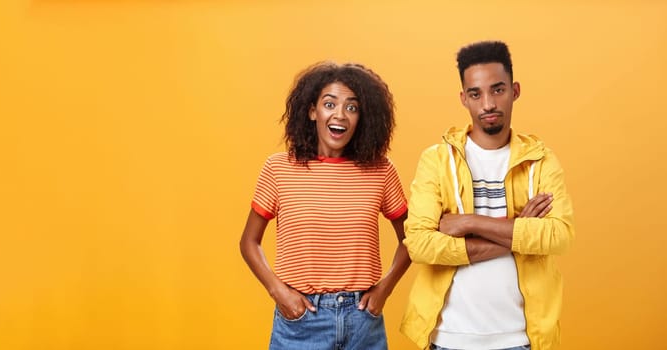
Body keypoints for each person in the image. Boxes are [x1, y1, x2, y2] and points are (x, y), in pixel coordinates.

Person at [400, 41, 575, 350]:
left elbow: (559, 235)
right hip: (449, 338)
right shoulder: (437, 160)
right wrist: (520, 230)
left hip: (521, 339)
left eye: (498, 90)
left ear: (515, 90)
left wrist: (470, 222)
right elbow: (419, 244)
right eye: (476, 94)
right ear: (463, 99)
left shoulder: (541, 160)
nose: (488, 104)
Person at [239, 61, 411, 349]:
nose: (340, 115)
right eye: (329, 104)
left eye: (352, 108)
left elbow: (412, 239)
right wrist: (278, 292)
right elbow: (249, 242)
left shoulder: (381, 170)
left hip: (362, 321)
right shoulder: (278, 168)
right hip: (301, 320)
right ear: (312, 111)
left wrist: (385, 289)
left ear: (362, 118)